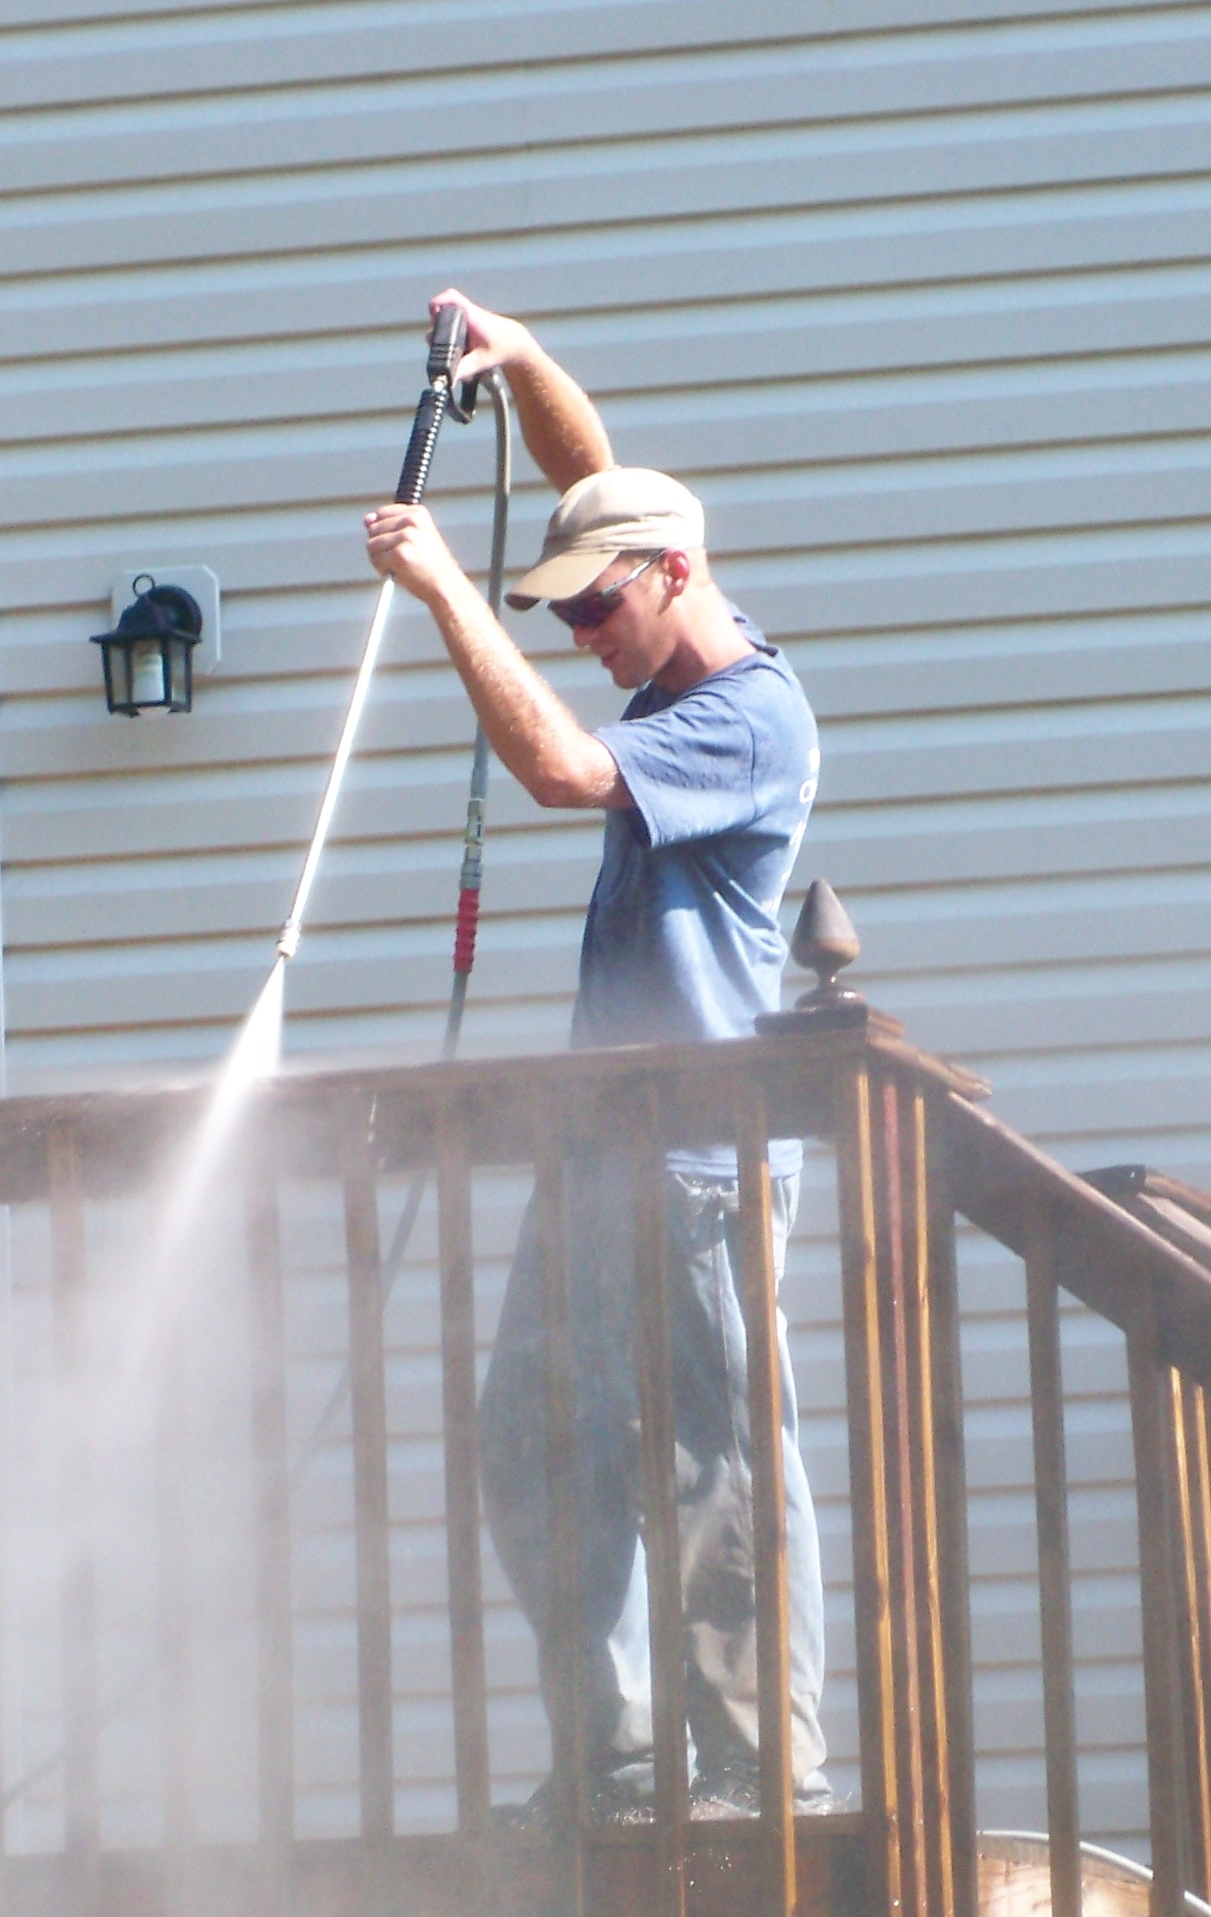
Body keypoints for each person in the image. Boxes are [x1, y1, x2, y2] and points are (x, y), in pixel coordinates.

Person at [363, 291, 827, 1831]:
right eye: (558, 613)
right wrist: (526, 357)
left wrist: (447, 595)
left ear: (677, 578)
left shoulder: (749, 718)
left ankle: (758, 1779)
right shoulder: (668, 642)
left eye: (593, 611)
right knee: (535, 1440)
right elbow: (602, 480)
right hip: (600, 1149)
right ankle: (619, 1766)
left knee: (713, 1465)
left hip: (698, 1161)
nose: (580, 631)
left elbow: (562, 771)